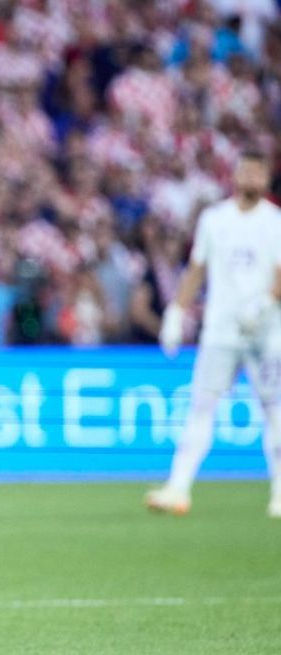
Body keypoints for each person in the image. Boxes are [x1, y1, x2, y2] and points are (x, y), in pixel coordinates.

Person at [146, 150, 281, 518]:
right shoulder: (214, 219)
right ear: (235, 175)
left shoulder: (274, 222)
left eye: (259, 172)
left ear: (266, 178)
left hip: (266, 334)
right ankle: (178, 488)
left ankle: (279, 491)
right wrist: (176, 312)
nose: (252, 179)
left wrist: (263, 305)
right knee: (201, 406)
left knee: (274, 410)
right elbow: (196, 270)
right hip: (220, 330)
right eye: (247, 171)